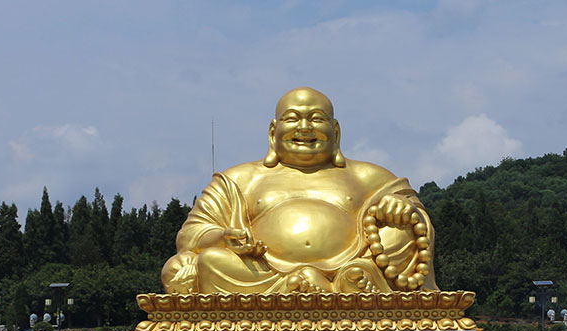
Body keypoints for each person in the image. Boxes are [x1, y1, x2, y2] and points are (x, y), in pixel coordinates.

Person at [161, 87, 436, 294]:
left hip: (352, 265)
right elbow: (189, 236)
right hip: (261, 276)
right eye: (292, 119)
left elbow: (417, 219)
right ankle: (327, 289)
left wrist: (399, 210)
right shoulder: (238, 179)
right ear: (273, 131)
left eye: (316, 119)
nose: (304, 128)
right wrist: (222, 236)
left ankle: (345, 281)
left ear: (335, 131)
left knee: (401, 234)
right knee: (197, 263)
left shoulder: (369, 176)